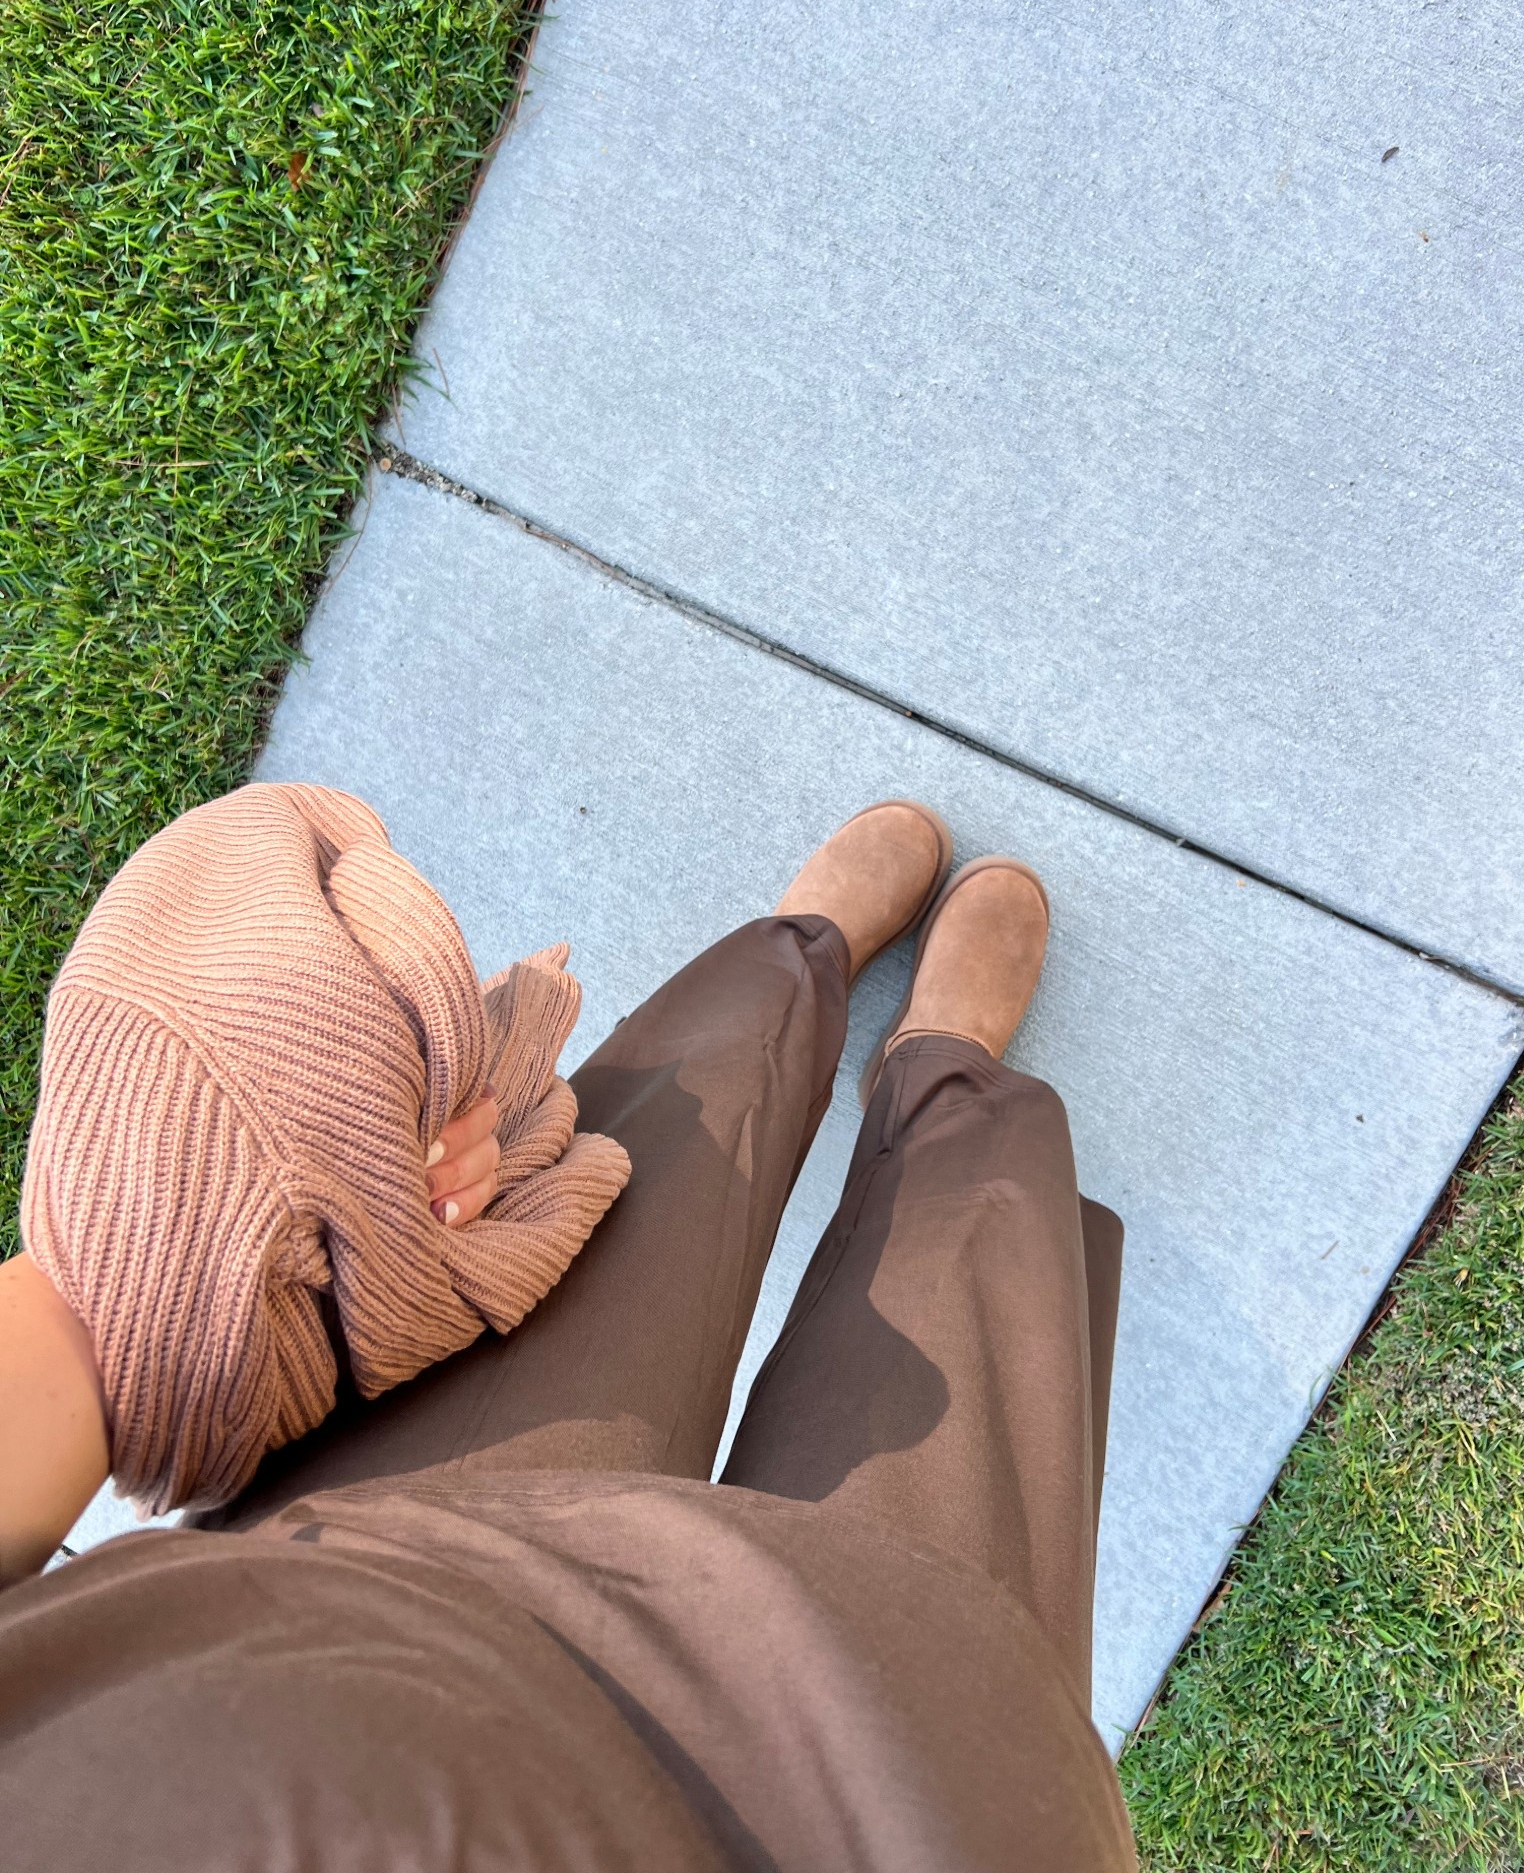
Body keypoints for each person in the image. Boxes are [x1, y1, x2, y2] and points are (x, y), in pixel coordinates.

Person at [0, 799, 1135, 1870]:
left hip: (358, 1595)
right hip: (885, 1817)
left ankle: (793, 960)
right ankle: (948, 1078)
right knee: (969, 1348)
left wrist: (146, 1289)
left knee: (638, 1199)